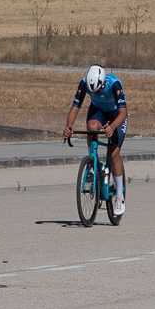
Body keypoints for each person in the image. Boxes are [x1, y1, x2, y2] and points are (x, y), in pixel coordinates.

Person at [64, 64, 131, 218]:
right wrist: (68, 126)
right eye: (92, 92)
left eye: (99, 90)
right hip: (98, 110)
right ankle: (93, 165)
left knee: (113, 153)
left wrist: (113, 127)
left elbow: (123, 112)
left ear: (103, 83)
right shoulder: (84, 83)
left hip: (116, 114)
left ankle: (119, 195)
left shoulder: (114, 84)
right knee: (91, 127)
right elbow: (75, 107)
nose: (97, 93)